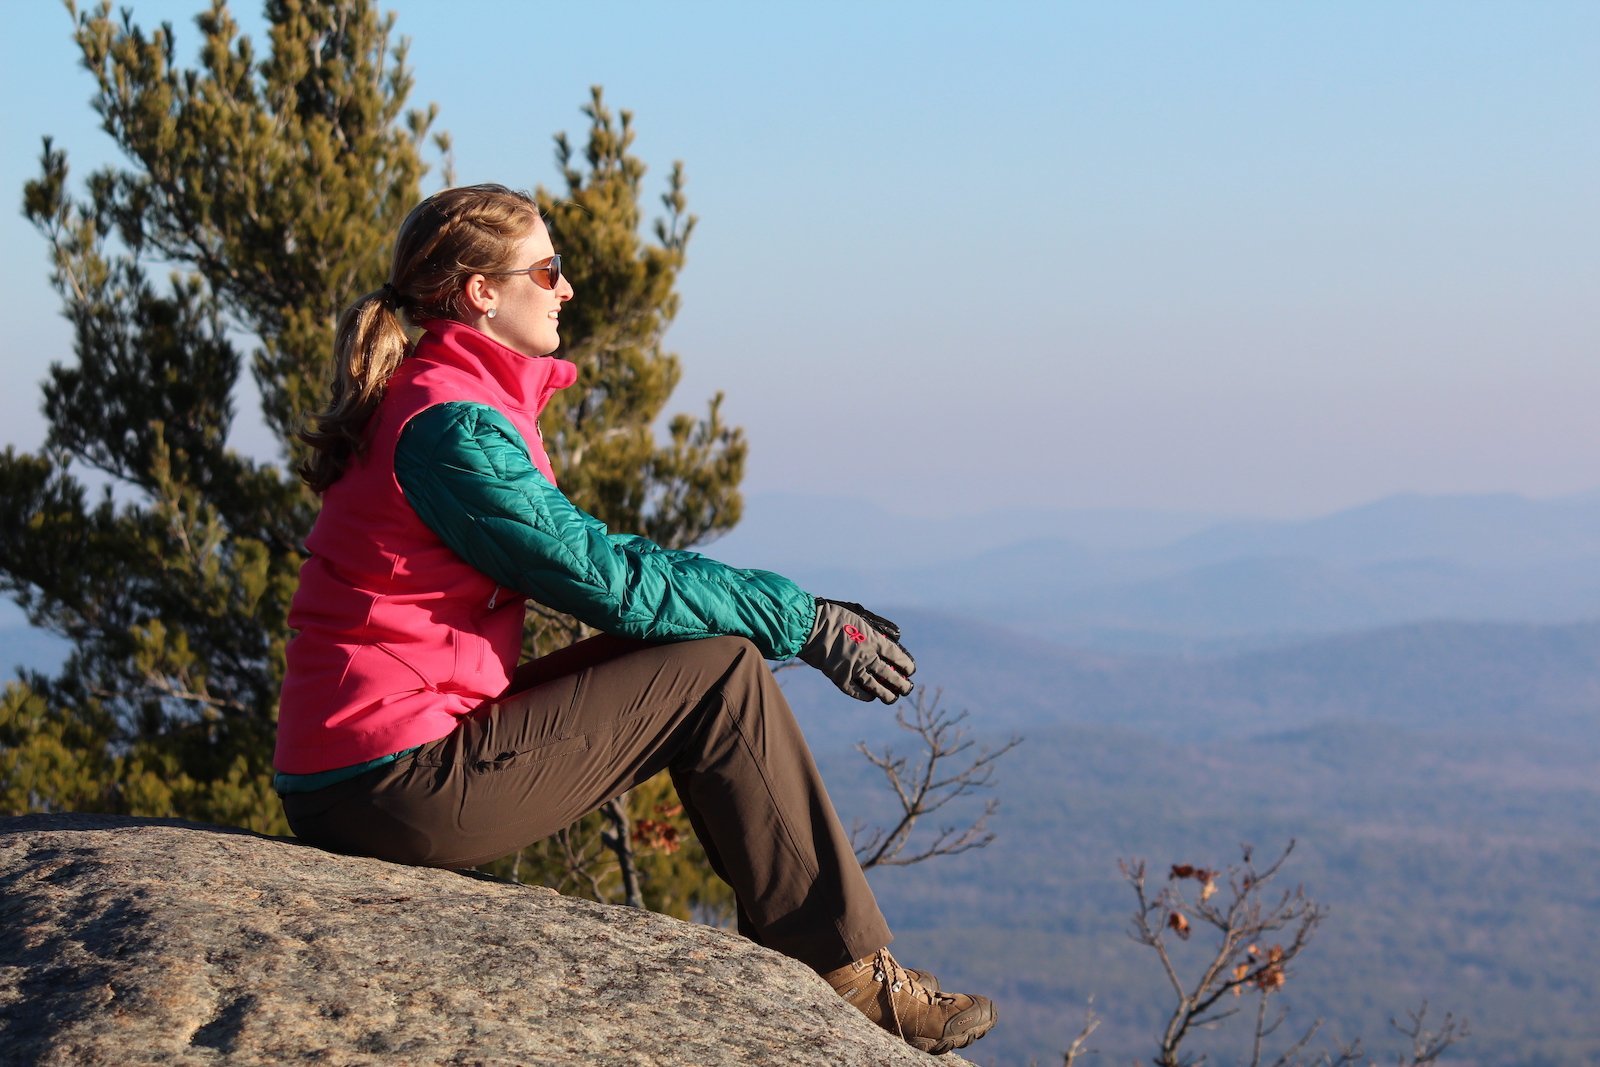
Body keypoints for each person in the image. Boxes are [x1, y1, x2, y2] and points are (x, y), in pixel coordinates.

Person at [273, 183, 996, 1056]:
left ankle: (827, 955)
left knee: (711, 656)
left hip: (373, 767)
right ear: (481, 294)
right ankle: (845, 972)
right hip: (389, 785)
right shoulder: (448, 425)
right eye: (548, 268)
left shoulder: (443, 398)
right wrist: (800, 619)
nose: (566, 287)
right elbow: (602, 576)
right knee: (722, 672)